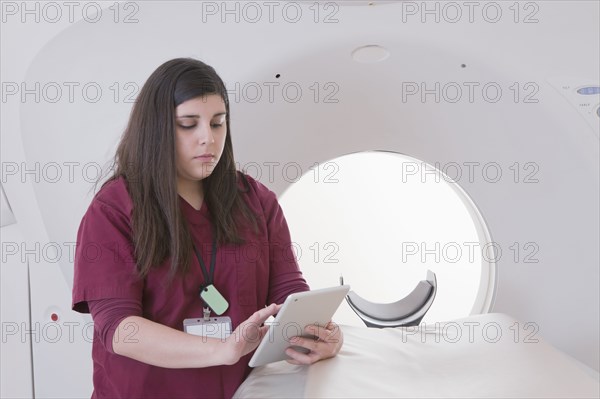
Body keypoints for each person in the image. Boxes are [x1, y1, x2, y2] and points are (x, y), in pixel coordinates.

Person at [71, 57, 343, 398]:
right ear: (157, 128)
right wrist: (221, 350)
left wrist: (323, 334)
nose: (208, 139)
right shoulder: (114, 209)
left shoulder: (256, 201)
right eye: (188, 124)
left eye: (217, 123)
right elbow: (119, 329)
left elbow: (289, 291)